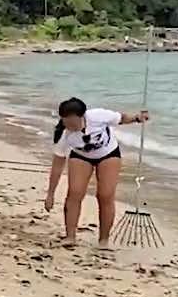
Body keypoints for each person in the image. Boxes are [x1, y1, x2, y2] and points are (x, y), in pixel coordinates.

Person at [44, 97, 149, 249]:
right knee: (75, 192)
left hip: (108, 153)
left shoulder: (98, 116)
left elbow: (122, 118)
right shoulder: (63, 134)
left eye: (73, 122)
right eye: (66, 122)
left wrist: (137, 118)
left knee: (105, 195)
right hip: (80, 156)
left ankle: (104, 240)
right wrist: (50, 194)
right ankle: (70, 236)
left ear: (83, 116)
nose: (70, 126)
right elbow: (57, 165)